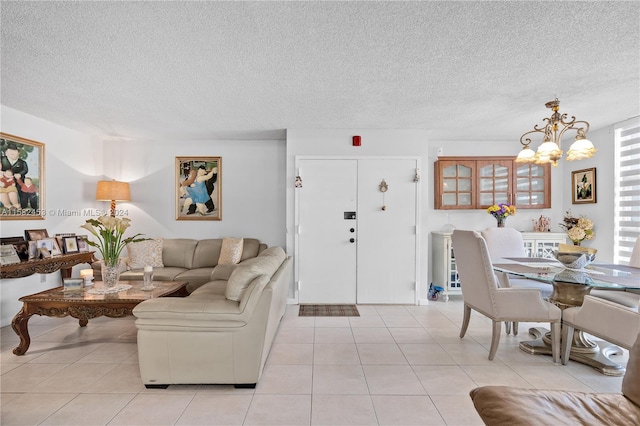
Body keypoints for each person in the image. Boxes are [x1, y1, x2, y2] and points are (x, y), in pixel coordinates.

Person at [1, 142, 30, 208]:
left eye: (14, 151)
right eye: (10, 151)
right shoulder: (2, 160)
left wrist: (20, 174)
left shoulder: (22, 162)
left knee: (21, 192)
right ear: (6, 152)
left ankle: (22, 206)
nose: (12, 153)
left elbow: (25, 170)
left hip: (18, 182)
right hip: (5, 181)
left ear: (18, 153)